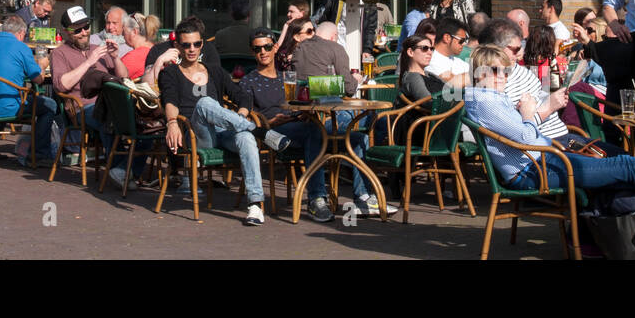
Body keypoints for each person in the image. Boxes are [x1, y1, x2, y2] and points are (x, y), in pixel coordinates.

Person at [465, 44, 635, 194]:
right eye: (497, 71)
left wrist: (528, 114)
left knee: (624, 167)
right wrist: (530, 114)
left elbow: (516, 134)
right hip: (534, 170)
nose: (504, 77)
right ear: (481, 72)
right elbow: (524, 136)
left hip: (544, 159)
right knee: (625, 167)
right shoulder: (486, 100)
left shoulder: (485, 99)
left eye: (506, 71)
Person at [159, 18, 276, 226]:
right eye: (186, 45)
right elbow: (169, 101)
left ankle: (255, 205)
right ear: (178, 46)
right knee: (204, 103)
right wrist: (172, 123)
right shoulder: (170, 73)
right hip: (196, 134)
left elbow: (243, 97)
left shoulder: (214, 71)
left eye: (196, 44)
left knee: (246, 138)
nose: (191, 49)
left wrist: (240, 116)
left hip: (223, 132)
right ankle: (260, 132)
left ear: (202, 44)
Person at [285, 22, 394, 221]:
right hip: (327, 118)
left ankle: (318, 199)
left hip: (304, 115)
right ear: (334, 36)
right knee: (359, 136)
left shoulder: (298, 49)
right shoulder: (336, 48)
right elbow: (350, 88)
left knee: (320, 133)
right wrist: (355, 79)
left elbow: (300, 83)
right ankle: (361, 196)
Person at [0, 15, 58, 165]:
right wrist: (41, 65)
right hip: (7, 105)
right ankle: (40, 154)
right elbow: (38, 79)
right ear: (21, 33)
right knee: (49, 105)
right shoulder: (21, 47)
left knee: (0, 94)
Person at [397, 20, 445, 102]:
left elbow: (452, 93)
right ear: (411, 52)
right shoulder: (413, 77)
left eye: (432, 49)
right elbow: (430, 103)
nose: (430, 52)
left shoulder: (430, 75)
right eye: (425, 48)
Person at [427, 17, 470, 87]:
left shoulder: (457, 61)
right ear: (447, 38)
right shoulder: (430, 60)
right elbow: (453, 82)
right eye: (461, 41)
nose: (464, 44)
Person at [120, 13, 156, 79]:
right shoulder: (155, 49)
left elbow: (112, 79)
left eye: (123, 30)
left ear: (134, 32)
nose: (122, 34)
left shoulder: (133, 57)